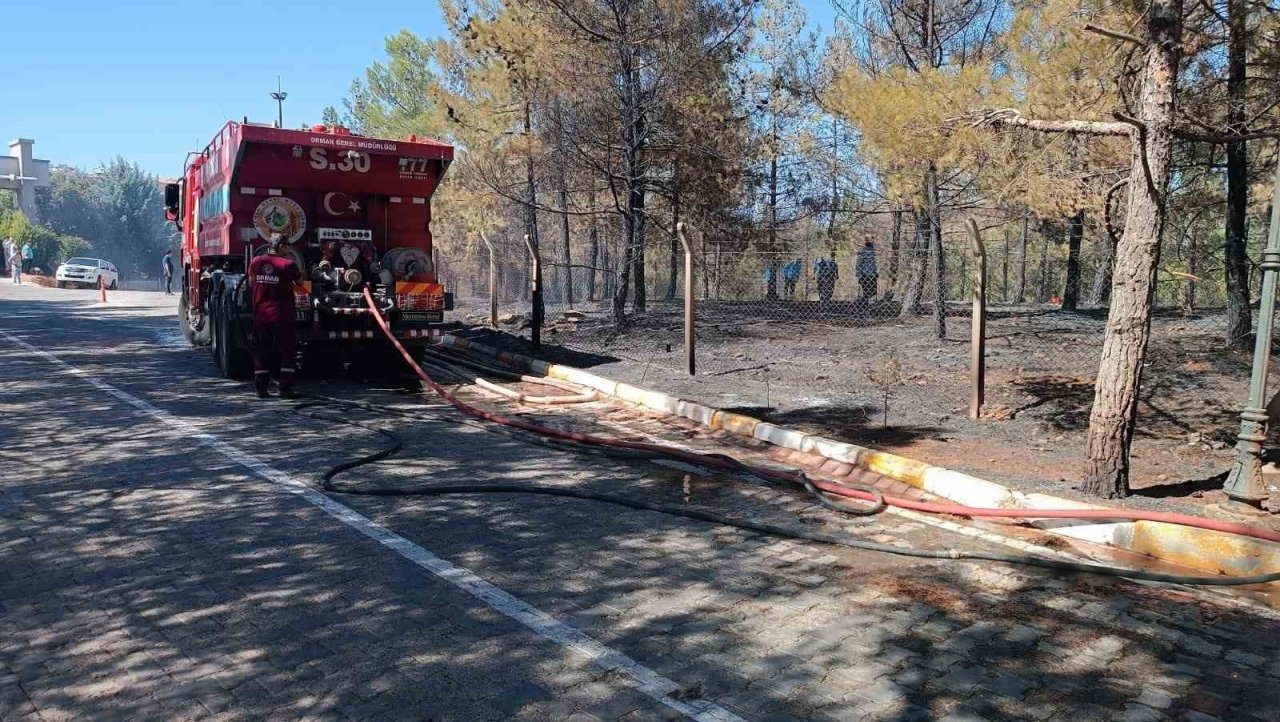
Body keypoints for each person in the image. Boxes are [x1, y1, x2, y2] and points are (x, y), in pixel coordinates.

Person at [248, 233, 302, 399]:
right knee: (287, 352)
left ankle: (261, 389)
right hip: (282, 316)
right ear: (281, 246)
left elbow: (251, 283)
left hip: (261, 316)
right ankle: (285, 389)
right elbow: (300, 284)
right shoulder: (289, 265)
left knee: (261, 351)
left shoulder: (255, 262)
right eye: (287, 246)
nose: (289, 250)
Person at [856, 235, 879, 303]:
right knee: (866, 292)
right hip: (865, 275)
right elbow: (859, 264)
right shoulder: (863, 252)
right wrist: (859, 275)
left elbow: (876, 264)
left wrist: (876, 273)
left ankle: (870, 304)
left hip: (872, 275)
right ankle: (865, 303)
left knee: (871, 292)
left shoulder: (873, 252)